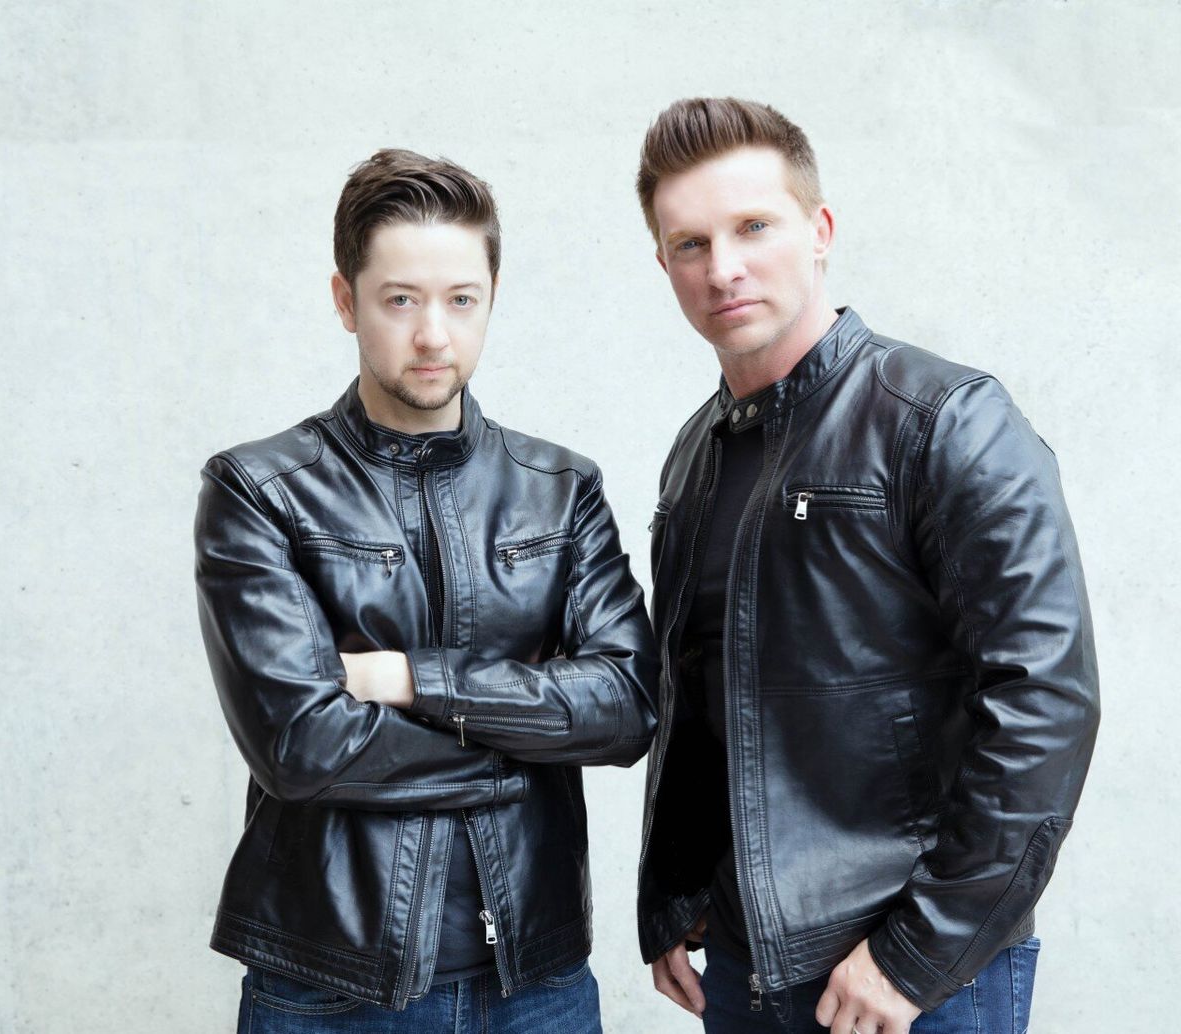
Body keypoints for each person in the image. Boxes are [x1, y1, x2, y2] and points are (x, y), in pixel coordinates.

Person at [634, 97, 1099, 1034]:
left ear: (820, 231)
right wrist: (676, 890)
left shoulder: (945, 421)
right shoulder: (697, 454)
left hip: (906, 982)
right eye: (690, 244)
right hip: (745, 966)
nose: (722, 268)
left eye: (753, 227)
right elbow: (706, 697)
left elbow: (1046, 702)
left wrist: (914, 957)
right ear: (664, 264)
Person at [194, 148, 658, 1033]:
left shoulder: (560, 490)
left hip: (538, 982)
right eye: (401, 300)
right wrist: (524, 744)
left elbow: (628, 705)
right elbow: (300, 741)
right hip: (329, 984)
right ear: (346, 301)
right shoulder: (261, 491)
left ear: (492, 298)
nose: (434, 336)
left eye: (461, 300)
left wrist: (407, 677)